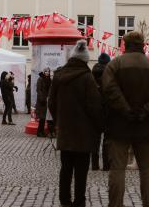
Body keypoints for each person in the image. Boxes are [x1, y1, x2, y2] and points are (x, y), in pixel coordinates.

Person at [102, 31, 149, 207]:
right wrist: (146, 110)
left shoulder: (114, 65)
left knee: (117, 169)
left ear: (125, 44)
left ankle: (115, 204)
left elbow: (109, 89)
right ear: (143, 45)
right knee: (147, 169)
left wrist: (125, 109)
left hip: (119, 126)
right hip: (145, 126)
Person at [48, 40, 103, 207]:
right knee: (81, 171)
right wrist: (99, 126)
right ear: (85, 60)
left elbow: (51, 102)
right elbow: (95, 106)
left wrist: (59, 120)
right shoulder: (87, 78)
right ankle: (79, 201)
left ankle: (64, 200)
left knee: (65, 169)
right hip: (84, 133)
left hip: (65, 131)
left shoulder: (58, 76)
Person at [91, 52, 111, 171]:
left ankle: (94, 164)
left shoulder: (92, 73)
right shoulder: (110, 74)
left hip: (95, 110)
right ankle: (106, 165)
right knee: (107, 140)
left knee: (95, 139)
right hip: (108, 110)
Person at [36, 67, 54, 137]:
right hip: (42, 101)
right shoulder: (40, 79)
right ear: (43, 72)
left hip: (47, 100)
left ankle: (41, 131)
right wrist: (42, 99)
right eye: (46, 71)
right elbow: (38, 90)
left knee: (44, 117)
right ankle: (39, 132)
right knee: (42, 117)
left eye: (48, 71)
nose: (47, 73)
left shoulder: (49, 79)